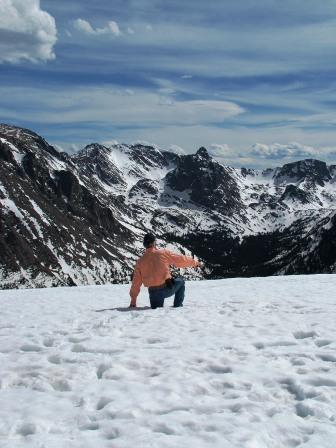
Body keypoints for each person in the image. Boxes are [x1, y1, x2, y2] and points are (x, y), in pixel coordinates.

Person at [129, 233, 202, 309]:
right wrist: (195, 263)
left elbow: (136, 283)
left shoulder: (140, 262)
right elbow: (181, 260)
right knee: (181, 282)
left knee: (156, 313)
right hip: (165, 289)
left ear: (144, 244)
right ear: (154, 242)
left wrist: (133, 300)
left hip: (152, 293)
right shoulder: (162, 253)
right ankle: (178, 307)